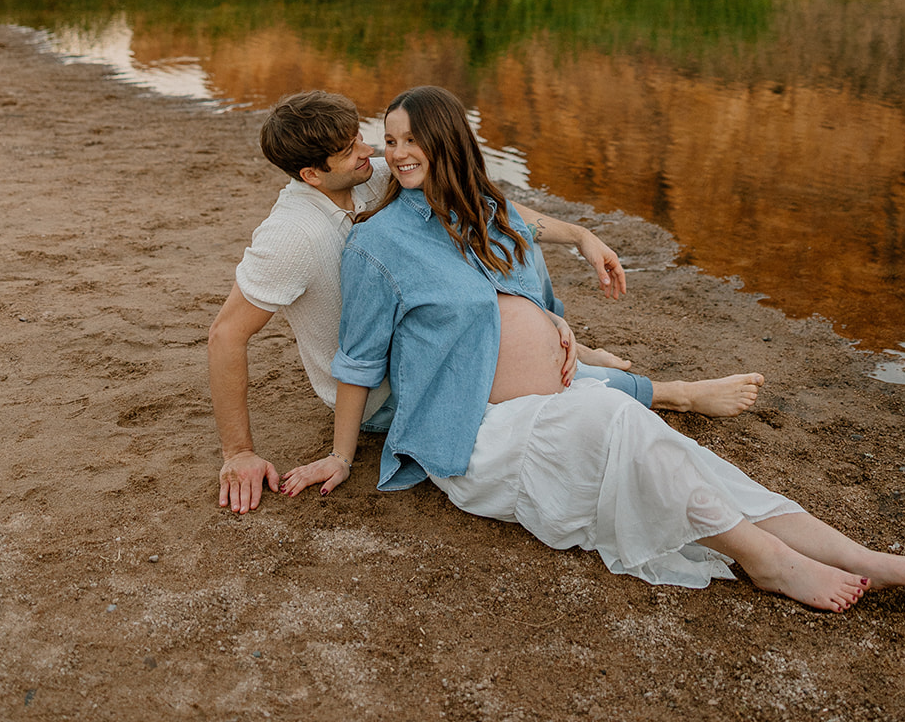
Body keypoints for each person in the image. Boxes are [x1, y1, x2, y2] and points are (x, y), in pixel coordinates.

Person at [282, 86, 905, 613]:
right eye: (390, 139)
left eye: (410, 138)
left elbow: (527, 299)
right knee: (623, 420)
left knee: (685, 456)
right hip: (480, 437)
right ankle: (765, 562)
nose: (397, 153)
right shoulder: (379, 241)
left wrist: (556, 326)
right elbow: (360, 360)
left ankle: (855, 554)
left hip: (555, 400)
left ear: (447, 140)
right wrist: (341, 456)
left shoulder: (494, 216)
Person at [209, 89, 763, 515]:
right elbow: (226, 335)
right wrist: (240, 452)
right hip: (383, 391)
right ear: (311, 174)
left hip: (418, 338)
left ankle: (571, 346)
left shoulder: (365, 173)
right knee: (520, 365)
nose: (374, 151)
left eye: (365, 137)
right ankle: (672, 396)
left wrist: (578, 237)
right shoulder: (291, 237)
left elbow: (481, 206)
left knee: (488, 290)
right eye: (354, 148)